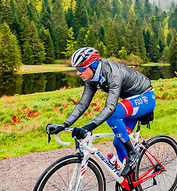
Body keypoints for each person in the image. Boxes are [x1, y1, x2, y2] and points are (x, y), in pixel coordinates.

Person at [47, 47, 155, 181]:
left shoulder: (112, 73)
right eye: (77, 69)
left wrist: (87, 128)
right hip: (131, 102)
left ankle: (133, 154)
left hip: (146, 98)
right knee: (118, 142)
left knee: (113, 115)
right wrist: (65, 124)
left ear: (92, 65)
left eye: (81, 69)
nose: (78, 73)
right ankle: (129, 181)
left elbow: (110, 108)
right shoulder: (92, 78)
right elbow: (82, 104)